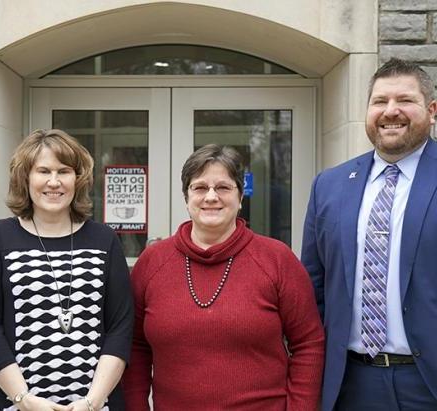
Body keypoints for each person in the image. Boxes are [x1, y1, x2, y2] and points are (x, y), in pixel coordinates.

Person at [123, 144, 324, 410]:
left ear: (240, 197)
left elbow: (309, 344)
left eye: (223, 187)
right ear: (186, 197)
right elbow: (135, 348)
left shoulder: (277, 259)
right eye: (200, 187)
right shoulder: (152, 262)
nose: (211, 196)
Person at [301, 58, 437, 410]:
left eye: (404, 100)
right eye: (379, 102)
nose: (391, 111)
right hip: (350, 383)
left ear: (432, 110)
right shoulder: (329, 185)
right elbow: (312, 290)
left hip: (427, 383)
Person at [0, 129, 133, 411]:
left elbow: (120, 327)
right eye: (43, 171)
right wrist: (24, 400)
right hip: (14, 405)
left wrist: (92, 402)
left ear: (77, 178)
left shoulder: (104, 240)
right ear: (26, 178)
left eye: (64, 171)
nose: (54, 182)